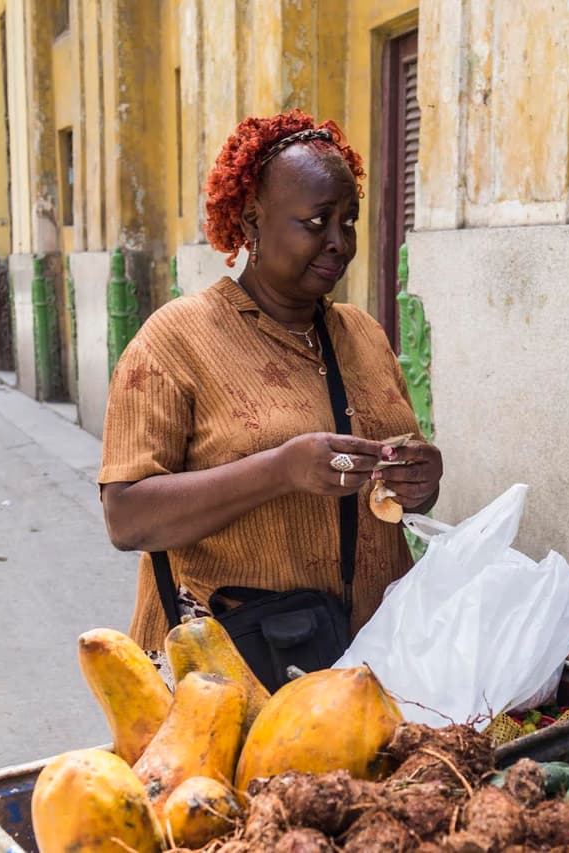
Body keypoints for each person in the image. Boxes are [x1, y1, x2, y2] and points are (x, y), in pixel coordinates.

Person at [99, 110, 444, 657]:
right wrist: (280, 470)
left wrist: (421, 483)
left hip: (372, 654)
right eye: (317, 222)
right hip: (232, 667)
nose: (339, 242)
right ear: (253, 220)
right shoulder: (175, 340)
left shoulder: (363, 334)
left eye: (348, 221)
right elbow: (127, 518)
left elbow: (395, 483)